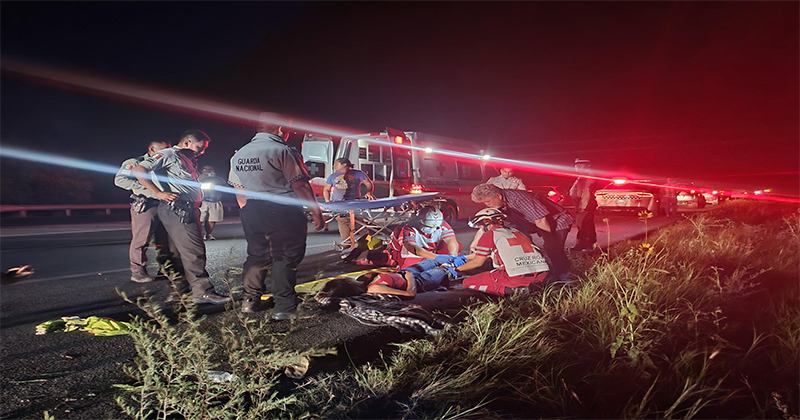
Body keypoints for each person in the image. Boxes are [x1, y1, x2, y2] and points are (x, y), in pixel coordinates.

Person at [228, 114, 324, 319]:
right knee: (285, 257)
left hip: (251, 209)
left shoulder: (240, 153)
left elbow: (238, 189)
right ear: (280, 129)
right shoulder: (283, 150)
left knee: (257, 255)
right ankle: (285, 307)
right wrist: (316, 212)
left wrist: (248, 211)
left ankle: (250, 301)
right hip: (282, 210)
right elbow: (300, 184)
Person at [131, 129, 231, 305]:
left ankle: (178, 291)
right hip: (179, 209)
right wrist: (157, 192)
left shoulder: (186, 158)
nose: (202, 151)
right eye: (200, 147)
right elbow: (139, 169)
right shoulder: (170, 154)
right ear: (187, 143)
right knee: (194, 251)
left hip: (179, 209)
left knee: (176, 253)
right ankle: (203, 291)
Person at [471, 183, 574, 281]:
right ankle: (536, 272)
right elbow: (487, 224)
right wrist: (475, 244)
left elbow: (541, 220)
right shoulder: (497, 203)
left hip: (557, 220)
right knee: (524, 246)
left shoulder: (519, 199)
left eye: (488, 202)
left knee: (553, 248)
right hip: (528, 222)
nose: (487, 205)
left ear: (498, 196)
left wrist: (549, 240)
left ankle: (564, 277)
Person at [115, 140, 184, 284]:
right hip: (146, 203)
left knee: (166, 239)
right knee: (142, 238)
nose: (167, 151)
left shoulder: (166, 161)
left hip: (166, 204)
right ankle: (137, 270)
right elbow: (120, 180)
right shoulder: (135, 162)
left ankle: (166, 269)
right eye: (164, 149)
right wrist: (150, 189)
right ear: (152, 149)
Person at [453, 208, 549, 297]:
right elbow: (485, 254)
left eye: (480, 226)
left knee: (467, 282)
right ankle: (532, 287)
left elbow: (477, 262)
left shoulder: (490, 234)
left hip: (515, 276)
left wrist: (456, 269)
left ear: (486, 223)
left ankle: (510, 290)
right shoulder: (517, 232)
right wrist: (464, 258)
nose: (480, 229)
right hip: (542, 274)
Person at [389, 206, 462, 269]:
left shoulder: (440, 224)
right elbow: (412, 247)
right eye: (428, 227)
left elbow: (451, 241)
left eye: (434, 227)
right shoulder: (408, 228)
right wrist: (436, 257)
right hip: (410, 254)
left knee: (457, 247)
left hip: (430, 253)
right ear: (420, 221)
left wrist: (453, 257)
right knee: (413, 272)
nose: (432, 229)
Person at [323, 158, 375, 242]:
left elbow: (368, 183)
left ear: (344, 164)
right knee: (343, 221)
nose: (333, 166)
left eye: (336, 164)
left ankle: (367, 242)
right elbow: (326, 189)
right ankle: (346, 242)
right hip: (339, 204)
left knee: (359, 222)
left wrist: (369, 192)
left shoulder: (358, 174)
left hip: (354, 203)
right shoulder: (333, 176)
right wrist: (327, 202)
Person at [569, 158, 599, 251]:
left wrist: (583, 206)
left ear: (588, 166)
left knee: (585, 224)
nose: (577, 167)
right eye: (576, 165)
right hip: (582, 203)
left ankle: (586, 245)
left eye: (580, 165)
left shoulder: (588, 176)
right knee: (583, 224)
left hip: (585, 204)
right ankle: (584, 244)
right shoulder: (582, 176)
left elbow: (587, 192)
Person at [198, 165, 226, 240]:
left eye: (211, 169)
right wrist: (202, 177)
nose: (209, 171)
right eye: (206, 169)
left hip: (215, 200)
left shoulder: (218, 179)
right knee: (200, 219)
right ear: (202, 170)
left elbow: (225, 186)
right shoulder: (198, 177)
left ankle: (208, 234)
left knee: (212, 219)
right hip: (202, 201)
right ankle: (198, 235)